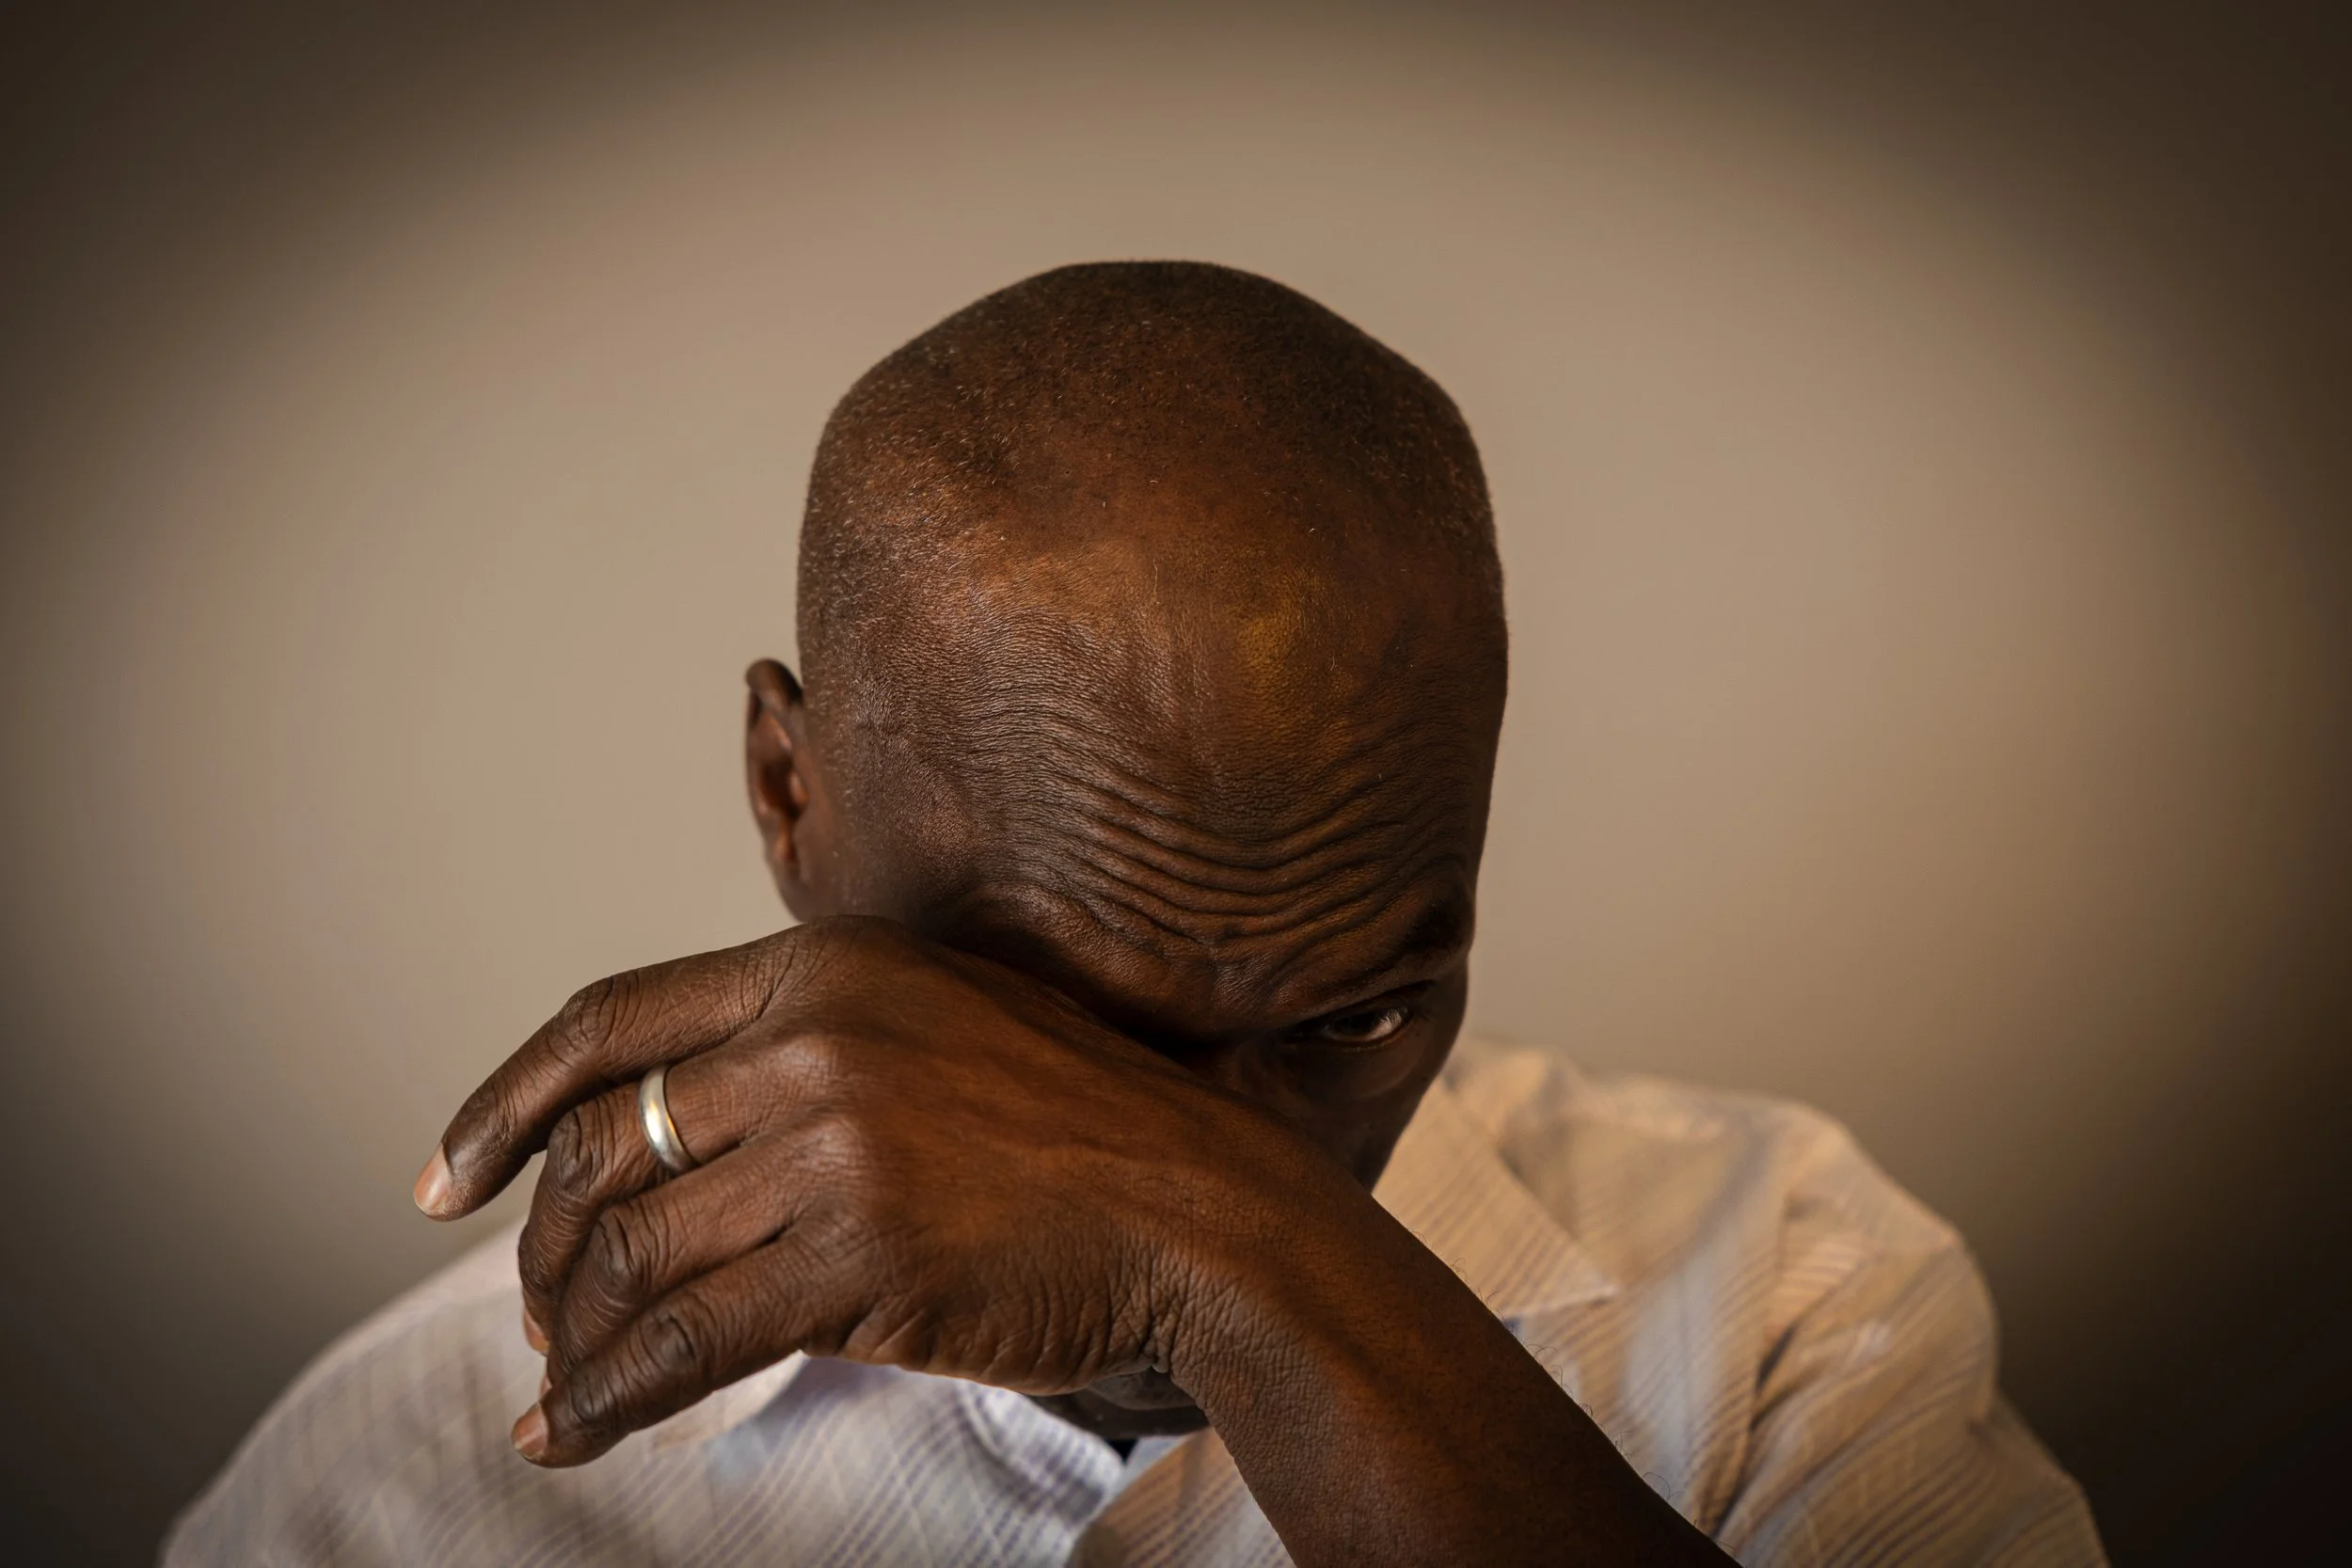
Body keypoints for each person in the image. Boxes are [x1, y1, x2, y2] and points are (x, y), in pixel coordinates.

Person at [165, 261, 2104, 1567]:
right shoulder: (403, 1476)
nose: (1181, 1145)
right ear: (785, 786)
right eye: (1062, 1032)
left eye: (1351, 1019)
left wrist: (1231, 1265)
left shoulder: (1786, 1296)